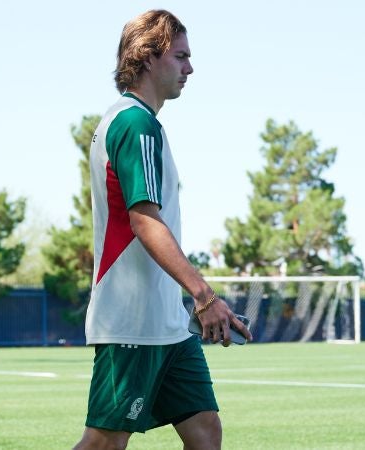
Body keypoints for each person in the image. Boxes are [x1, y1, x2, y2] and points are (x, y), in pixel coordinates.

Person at [73, 9, 252, 450]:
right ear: (149, 57)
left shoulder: (138, 123)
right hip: (133, 322)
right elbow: (144, 220)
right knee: (103, 443)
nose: (190, 68)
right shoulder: (136, 124)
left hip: (166, 323)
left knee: (205, 432)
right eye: (181, 56)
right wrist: (205, 296)